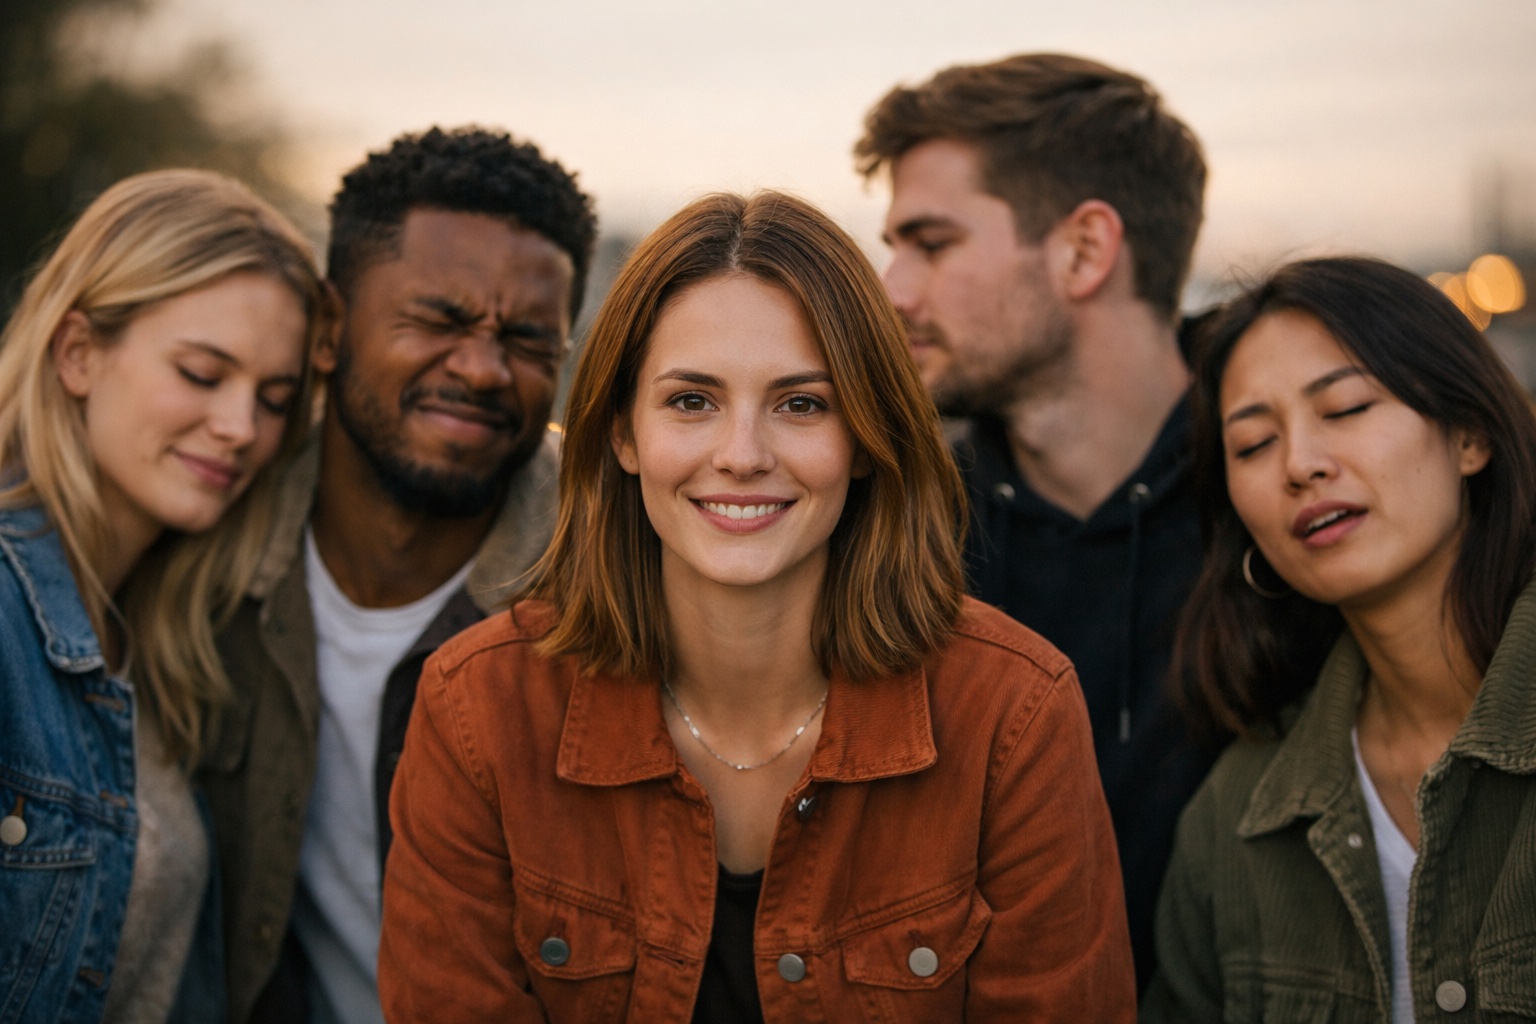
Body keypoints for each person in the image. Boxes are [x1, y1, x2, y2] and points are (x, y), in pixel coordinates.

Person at [377, 190, 1135, 1022]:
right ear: (624, 434)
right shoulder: (478, 710)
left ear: (866, 438)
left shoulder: (1013, 715)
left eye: (802, 404)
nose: (741, 456)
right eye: (691, 401)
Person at [197, 127, 596, 1024]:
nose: (483, 368)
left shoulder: (620, 571)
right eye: (440, 320)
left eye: (530, 340)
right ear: (331, 330)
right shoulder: (205, 535)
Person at [854, 52, 1215, 989]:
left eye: (930, 244)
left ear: (1085, 250)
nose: (891, 288)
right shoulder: (899, 539)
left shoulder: (1291, 515)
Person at [1142, 257, 1536, 1023]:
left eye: (1348, 407)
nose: (1300, 464)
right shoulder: (1238, 817)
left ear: (1469, 433)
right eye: (1253, 445)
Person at [0, 169, 326, 1023]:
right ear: (78, 353)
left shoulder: (162, 644)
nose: (240, 427)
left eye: (273, 399)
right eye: (201, 372)